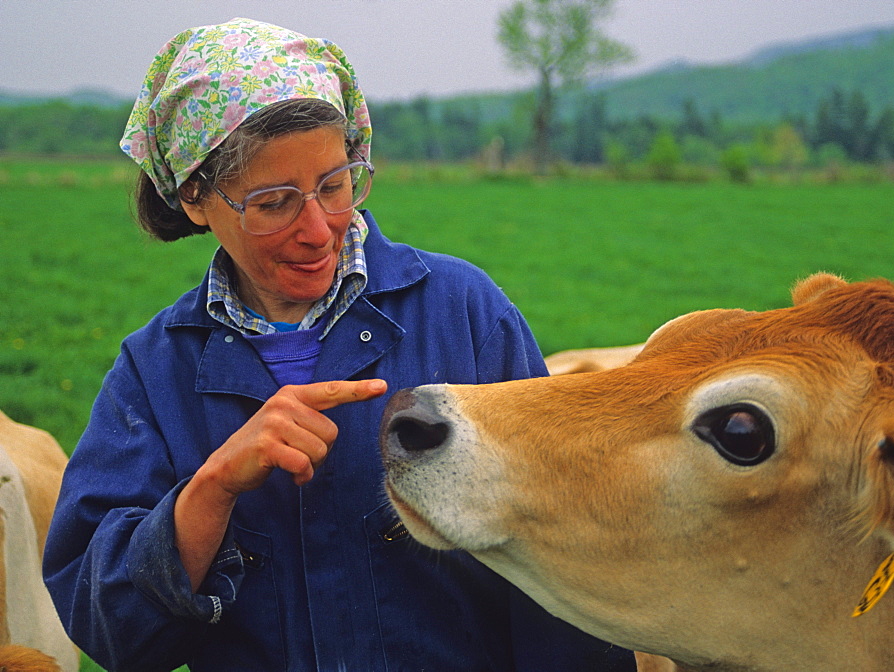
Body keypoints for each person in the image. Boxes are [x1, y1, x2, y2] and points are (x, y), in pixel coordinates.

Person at [42, 17, 636, 672]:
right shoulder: (155, 374)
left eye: (335, 184)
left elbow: (566, 569)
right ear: (195, 197)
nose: (320, 229)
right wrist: (210, 489)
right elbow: (107, 628)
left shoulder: (466, 316)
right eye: (274, 203)